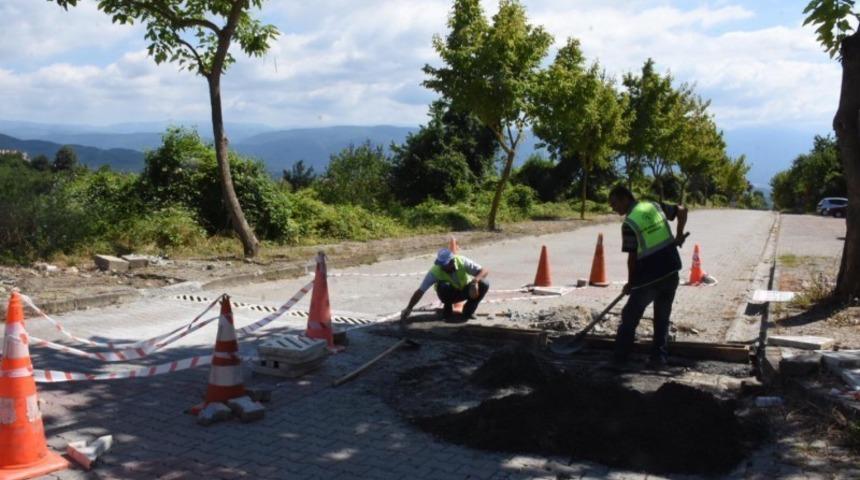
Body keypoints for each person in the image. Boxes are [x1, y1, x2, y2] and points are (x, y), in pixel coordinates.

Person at [607, 185, 687, 367]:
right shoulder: (654, 206)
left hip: (649, 278)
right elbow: (682, 210)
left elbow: (632, 257)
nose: (613, 208)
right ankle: (658, 359)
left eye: (614, 203)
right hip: (671, 272)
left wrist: (630, 283)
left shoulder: (629, 223)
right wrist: (679, 235)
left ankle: (619, 360)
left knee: (629, 316)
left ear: (625, 199)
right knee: (662, 318)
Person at [400, 248, 489, 323]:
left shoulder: (462, 261)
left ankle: (468, 311)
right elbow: (420, 291)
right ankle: (447, 309)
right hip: (449, 294)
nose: (442, 267)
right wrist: (409, 308)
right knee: (443, 285)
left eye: (445, 265)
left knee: (484, 284)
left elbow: (484, 271)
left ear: (452, 261)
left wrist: (475, 281)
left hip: (465, 291)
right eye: (441, 264)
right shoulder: (435, 272)